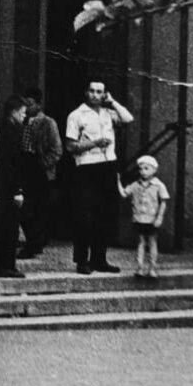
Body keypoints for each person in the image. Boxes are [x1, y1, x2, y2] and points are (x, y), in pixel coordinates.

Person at [65, 80, 133, 275]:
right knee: (84, 216)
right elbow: (70, 146)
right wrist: (94, 143)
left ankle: (99, 259)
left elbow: (128, 119)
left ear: (104, 94)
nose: (95, 95)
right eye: (92, 91)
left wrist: (113, 102)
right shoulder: (76, 115)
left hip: (108, 165)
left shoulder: (108, 113)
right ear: (86, 92)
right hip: (86, 167)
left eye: (99, 92)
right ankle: (82, 261)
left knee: (105, 214)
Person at [17, 88, 64, 260]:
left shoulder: (48, 123)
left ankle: (34, 244)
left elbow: (57, 150)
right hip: (23, 165)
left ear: (38, 104)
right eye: (25, 104)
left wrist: (42, 165)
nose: (27, 108)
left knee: (38, 209)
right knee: (24, 208)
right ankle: (33, 241)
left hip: (39, 169)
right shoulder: (21, 120)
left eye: (30, 104)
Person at [0, 97, 27, 279]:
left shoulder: (4, 128)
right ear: (14, 112)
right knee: (8, 228)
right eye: (22, 113)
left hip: (2, 187)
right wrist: (17, 190)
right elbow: (11, 164)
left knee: (4, 227)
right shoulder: (10, 131)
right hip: (8, 188)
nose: (24, 116)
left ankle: (3, 264)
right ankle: (6, 265)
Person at [118, 155, 170, 279]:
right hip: (139, 218)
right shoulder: (136, 185)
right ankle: (140, 267)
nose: (143, 172)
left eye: (146, 168)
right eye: (140, 169)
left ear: (154, 170)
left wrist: (159, 217)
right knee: (141, 242)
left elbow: (163, 202)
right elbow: (124, 193)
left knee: (152, 242)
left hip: (152, 219)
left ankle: (152, 268)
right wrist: (117, 181)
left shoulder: (158, 185)